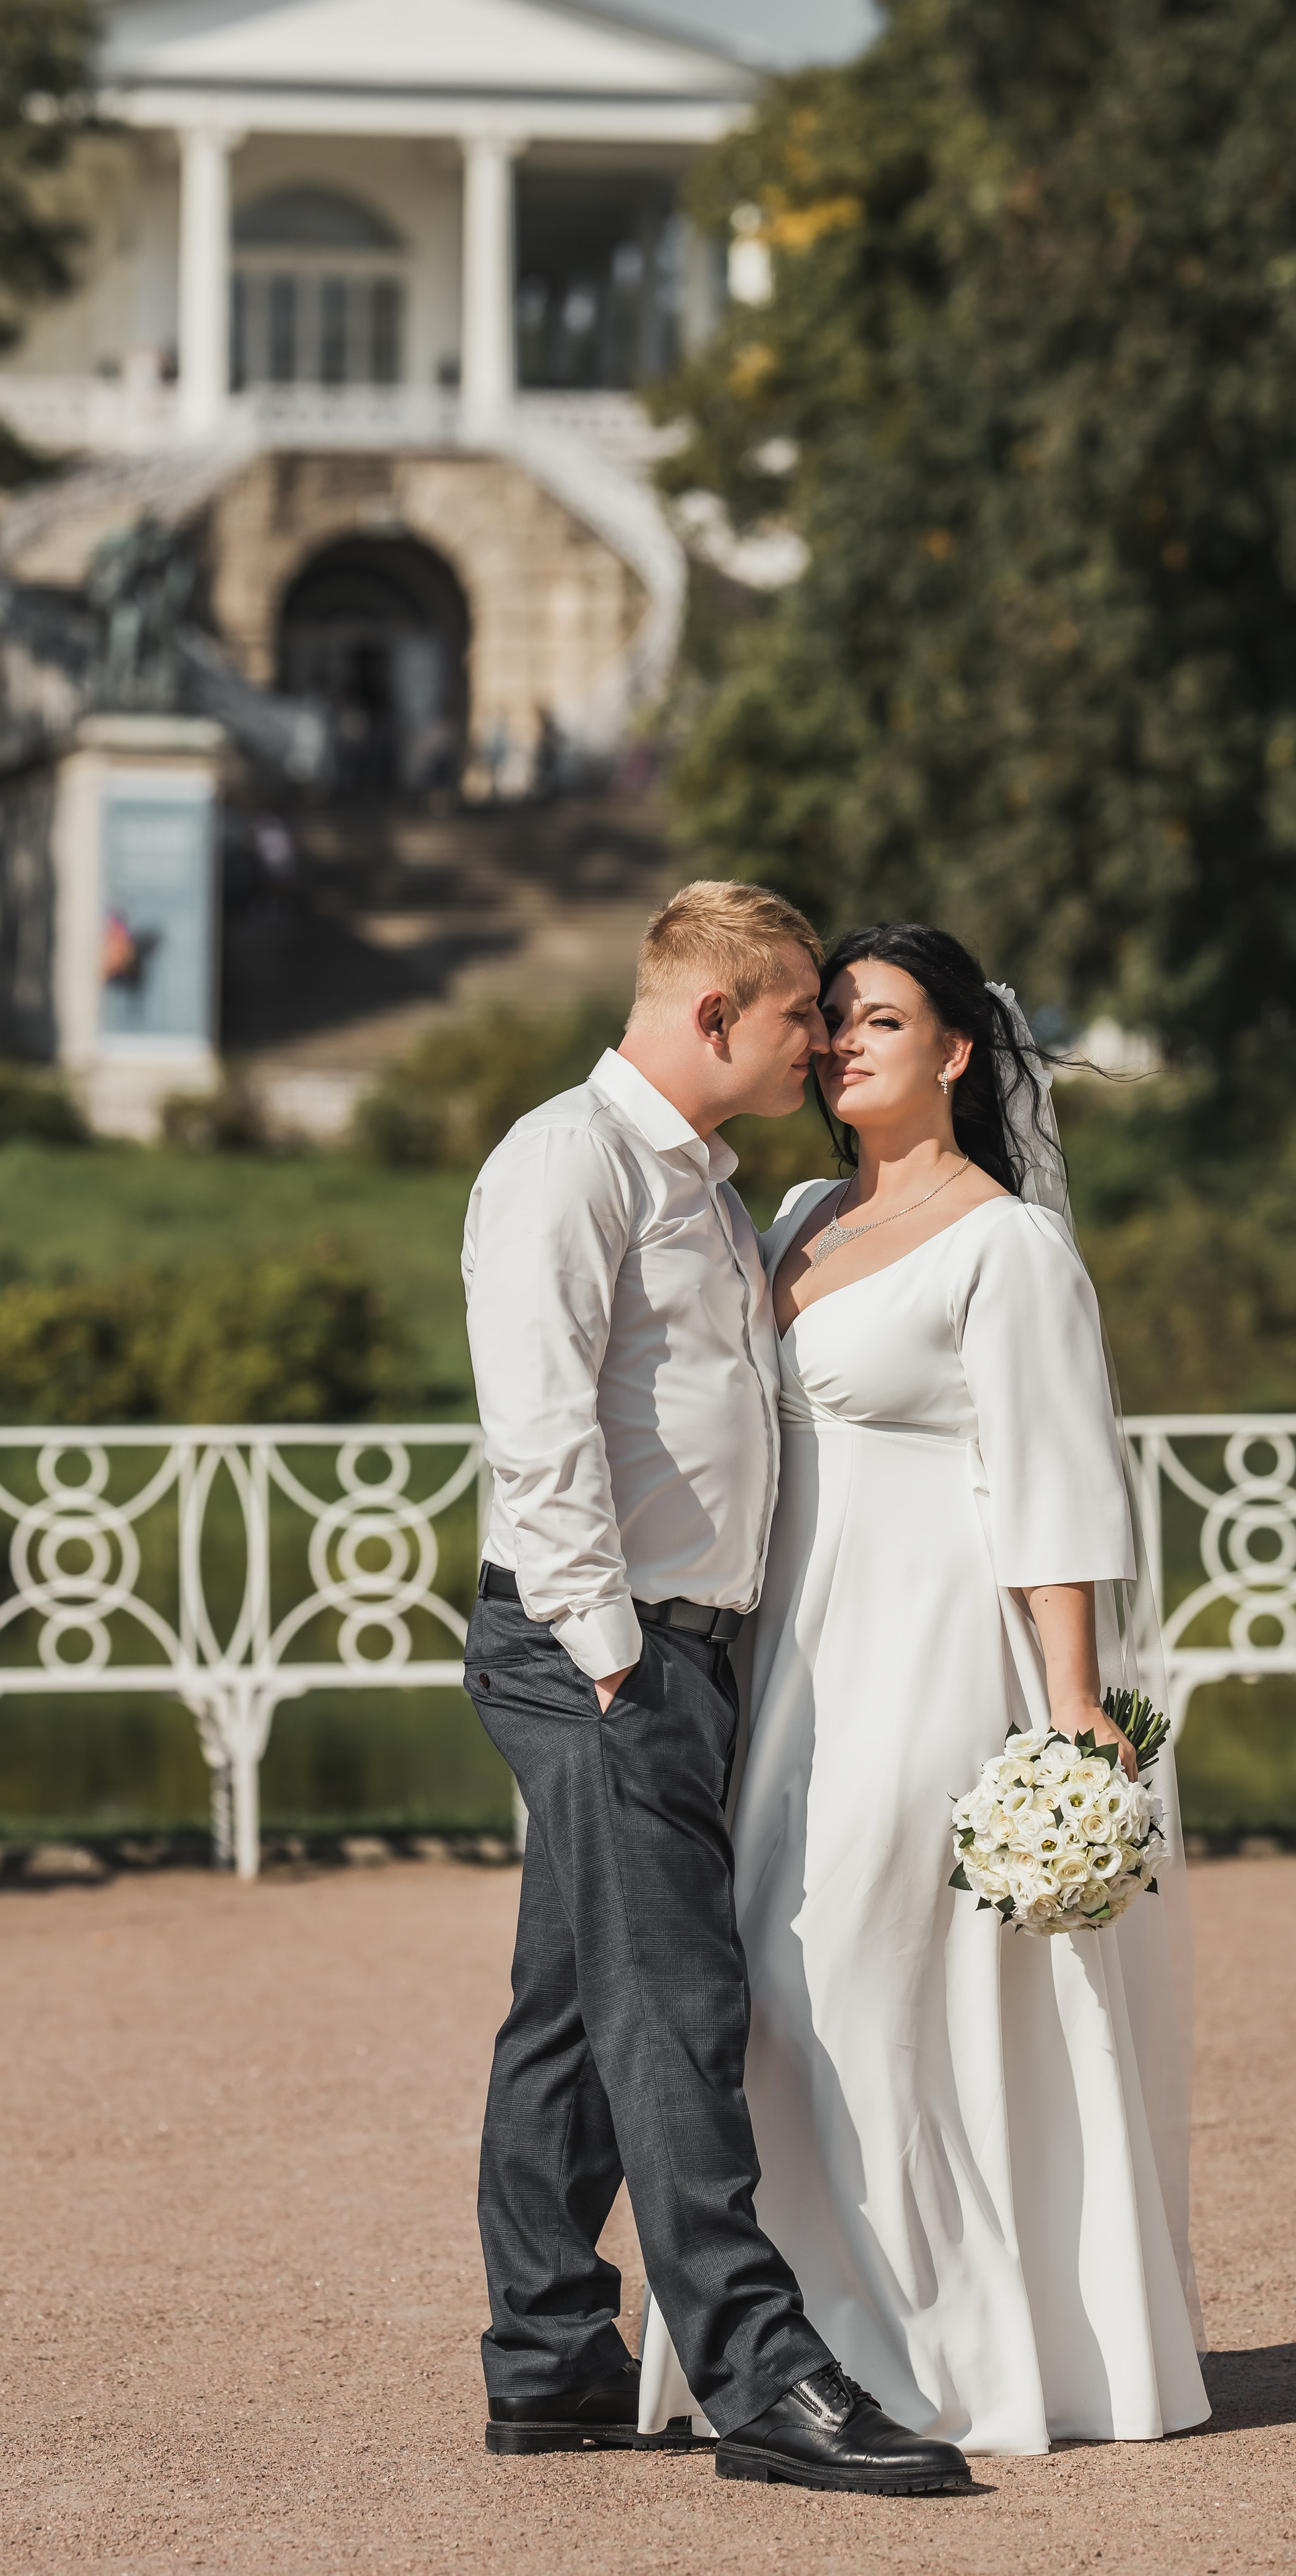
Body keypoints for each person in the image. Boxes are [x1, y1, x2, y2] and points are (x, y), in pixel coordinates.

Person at [637, 922, 1209, 2455]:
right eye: (827, 1020)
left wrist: (1073, 1713)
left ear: (956, 1052)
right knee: (764, 1987)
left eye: (877, 1018)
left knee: (873, 1985)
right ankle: (777, 2351)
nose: (839, 1043)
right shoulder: (805, 1211)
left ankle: (944, 2359)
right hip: (789, 1656)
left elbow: (1056, 1483)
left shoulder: (1006, 1245)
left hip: (932, 1650)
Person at [461, 881, 971, 2494]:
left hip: (673, 1653)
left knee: (568, 2014)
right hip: (597, 1653)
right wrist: (614, 1663)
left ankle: (546, 2360)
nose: (818, 1038)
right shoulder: (569, 1161)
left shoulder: (708, 1186)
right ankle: (761, 2378)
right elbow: (537, 1435)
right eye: (800, 1013)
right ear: (714, 1015)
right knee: (681, 2010)